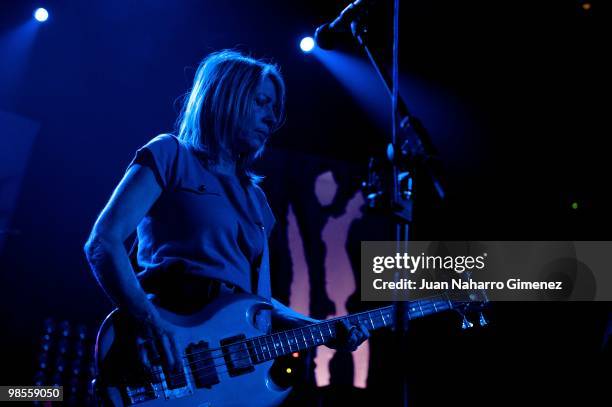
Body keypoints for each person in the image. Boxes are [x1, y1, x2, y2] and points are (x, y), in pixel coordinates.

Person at [83, 50, 369, 376]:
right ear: (226, 97)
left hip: (223, 374)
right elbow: (103, 242)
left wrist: (320, 328)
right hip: (164, 351)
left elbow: (255, 302)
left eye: (274, 108)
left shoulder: (256, 199)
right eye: (262, 101)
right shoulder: (171, 153)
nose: (272, 118)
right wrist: (149, 321)